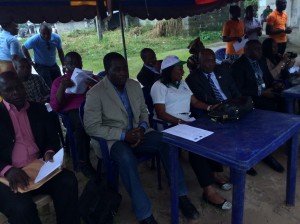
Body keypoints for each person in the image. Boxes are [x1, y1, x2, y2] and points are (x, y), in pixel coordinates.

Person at [84, 52, 200, 224]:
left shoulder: (133, 85)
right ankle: (144, 214)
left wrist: (142, 127)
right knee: (126, 158)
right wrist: (124, 135)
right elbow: (91, 127)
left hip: (139, 132)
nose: (123, 72)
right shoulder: (96, 93)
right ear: (107, 71)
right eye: (117, 69)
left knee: (167, 142)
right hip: (114, 140)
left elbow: (144, 112)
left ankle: (181, 196)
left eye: (125, 68)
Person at [150, 55, 232, 210]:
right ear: (169, 71)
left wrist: (208, 107)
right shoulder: (159, 86)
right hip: (168, 125)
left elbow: (194, 101)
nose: (182, 71)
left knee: (212, 135)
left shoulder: (182, 83)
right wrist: (181, 122)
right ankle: (208, 191)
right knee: (196, 148)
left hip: (186, 122)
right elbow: (160, 113)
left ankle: (214, 173)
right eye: (179, 68)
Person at [0, 71, 80, 224]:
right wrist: (7, 170)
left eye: (18, 87)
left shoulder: (38, 109)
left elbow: (51, 137)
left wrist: (49, 152)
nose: (16, 92)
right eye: (9, 90)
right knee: (21, 209)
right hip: (7, 177)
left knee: (68, 181)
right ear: (0, 92)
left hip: (38, 168)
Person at [231, 40, 285, 174]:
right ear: (247, 51)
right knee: (264, 119)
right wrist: (261, 93)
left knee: (285, 104)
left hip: (266, 95)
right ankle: (251, 157)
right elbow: (239, 90)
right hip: (251, 100)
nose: (261, 52)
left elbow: (268, 78)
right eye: (257, 49)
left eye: (260, 49)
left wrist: (276, 84)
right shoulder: (238, 66)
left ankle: (268, 151)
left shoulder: (261, 61)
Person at [50, 52, 96, 178]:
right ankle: (84, 163)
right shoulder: (59, 81)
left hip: (92, 110)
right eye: (71, 64)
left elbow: (105, 88)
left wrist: (94, 85)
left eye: (78, 62)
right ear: (65, 66)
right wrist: (62, 87)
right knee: (81, 122)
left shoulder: (87, 77)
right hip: (72, 114)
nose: (75, 66)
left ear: (82, 64)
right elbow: (54, 107)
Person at [22, 23, 65, 88]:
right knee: (48, 86)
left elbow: (60, 51)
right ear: (39, 31)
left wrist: (64, 65)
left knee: (59, 83)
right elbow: (24, 47)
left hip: (53, 65)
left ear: (51, 31)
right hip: (41, 66)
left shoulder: (56, 37)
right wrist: (29, 61)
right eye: (43, 34)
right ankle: (51, 97)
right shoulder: (35, 39)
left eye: (48, 33)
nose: (46, 36)